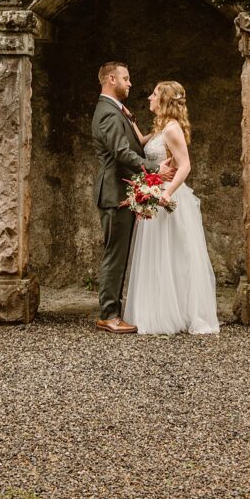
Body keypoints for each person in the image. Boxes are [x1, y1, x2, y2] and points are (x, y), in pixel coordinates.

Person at [123, 81, 220, 335]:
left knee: (174, 255)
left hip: (169, 197)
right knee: (157, 256)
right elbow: (142, 141)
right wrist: (129, 119)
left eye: (154, 94)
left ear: (164, 100)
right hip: (155, 194)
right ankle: (158, 310)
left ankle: (179, 312)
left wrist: (166, 192)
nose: (149, 97)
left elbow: (185, 165)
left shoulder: (172, 129)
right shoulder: (160, 128)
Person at [91, 62, 176, 333]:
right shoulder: (108, 113)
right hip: (114, 193)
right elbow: (121, 153)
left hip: (121, 192)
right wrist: (154, 169)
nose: (130, 83)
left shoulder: (117, 111)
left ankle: (113, 311)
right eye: (126, 78)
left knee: (119, 254)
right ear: (111, 79)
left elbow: (133, 145)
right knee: (115, 255)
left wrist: (158, 134)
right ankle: (109, 315)